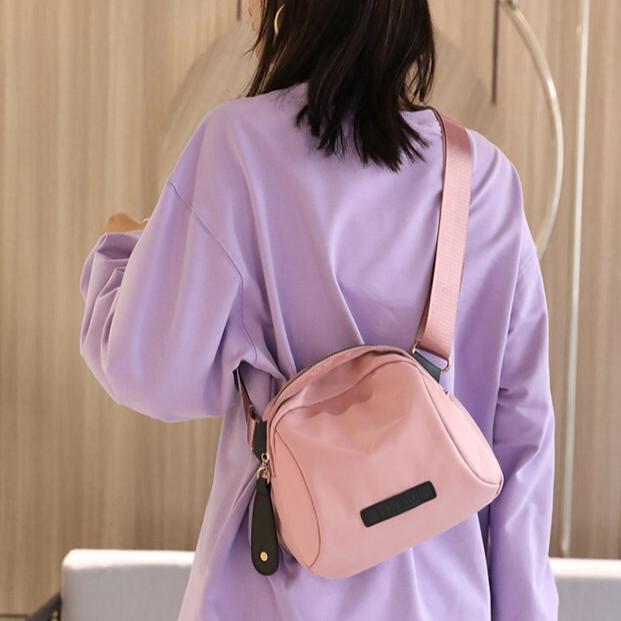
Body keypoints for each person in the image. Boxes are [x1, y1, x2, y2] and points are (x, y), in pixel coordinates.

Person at [78, 1, 559, 619]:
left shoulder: (238, 148)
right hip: (443, 599)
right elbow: (523, 441)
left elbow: (149, 372)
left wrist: (121, 251)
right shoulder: (484, 178)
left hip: (272, 591)